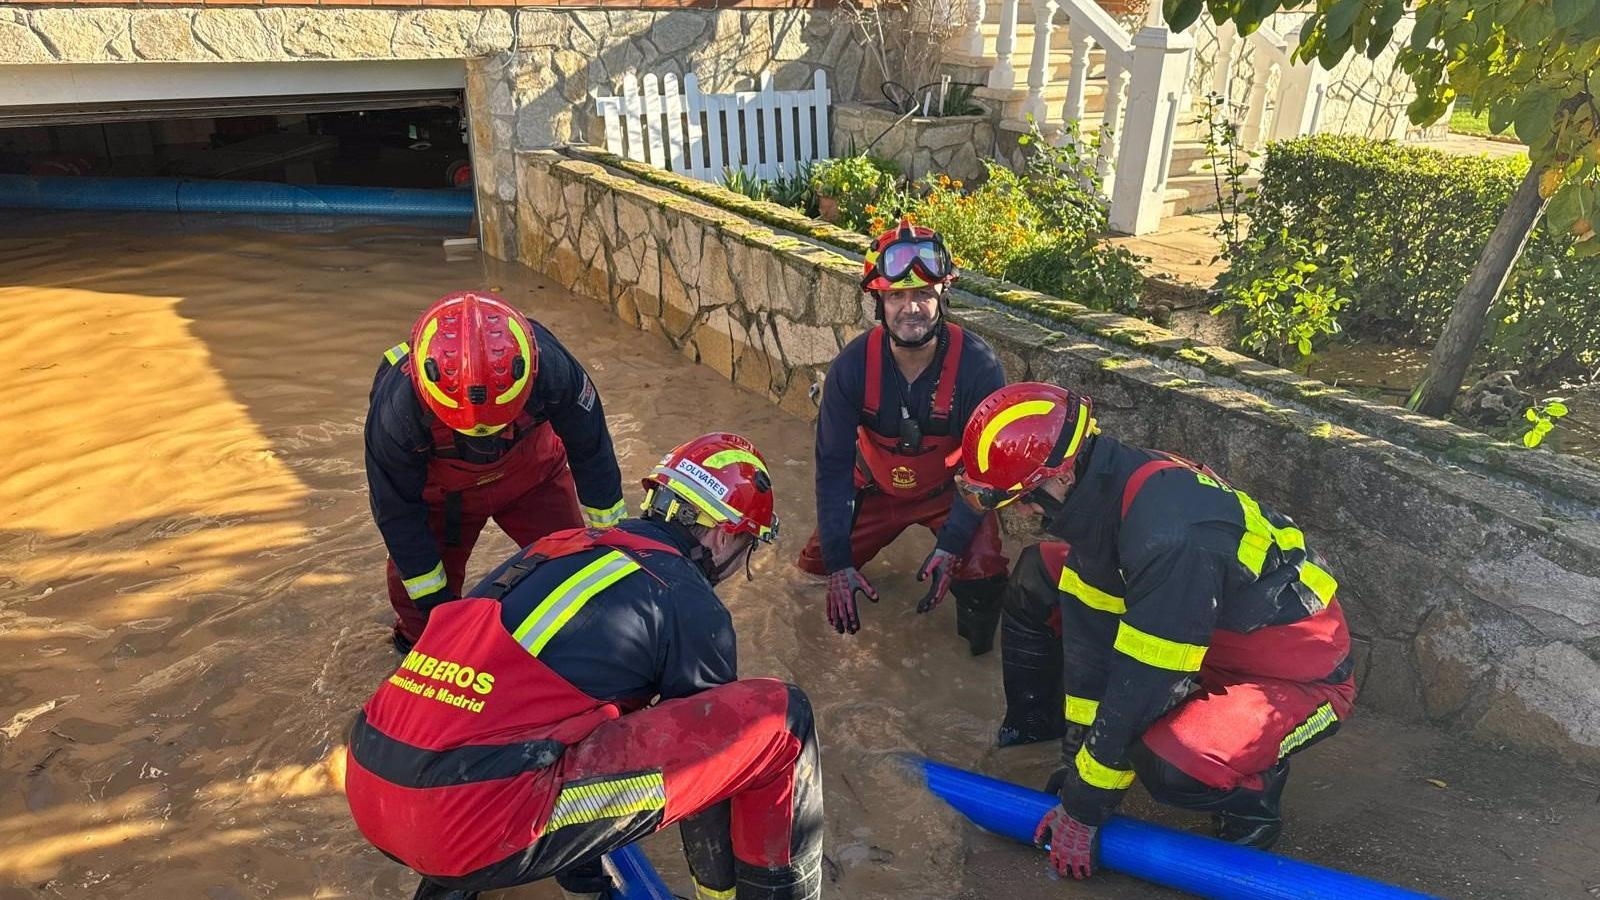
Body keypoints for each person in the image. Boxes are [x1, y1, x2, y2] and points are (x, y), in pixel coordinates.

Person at [345, 433, 823, 900]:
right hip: (469, 819)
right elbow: (713, 768)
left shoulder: (560, 546)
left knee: (505, 738)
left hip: (372, 783)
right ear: (725, 535)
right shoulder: (686, 597)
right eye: (748, 548)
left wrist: (584, 882)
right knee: (781, 720)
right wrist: (717, 890)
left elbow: (532, 713)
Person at [954, 382, 1356, 880]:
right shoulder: (1100, 496)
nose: (1023, 511)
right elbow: (1090, 648)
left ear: (1059, 474)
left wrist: (1085, 808)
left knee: (1171, 762)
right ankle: (1036, 728)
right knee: (1039, 573)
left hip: (1299, 675)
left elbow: (1145, 682)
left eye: (1024, 498)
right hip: (1207, 632)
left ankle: (1254, 796)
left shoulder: (1171, 533)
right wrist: (1077, 761)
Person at [365, 290, 626, 651]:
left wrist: (614, 545)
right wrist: (437, 610)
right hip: (444, 502)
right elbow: (397, 515)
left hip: (533, 481)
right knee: (422, 622)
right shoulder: (395, 412)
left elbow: (593, 453)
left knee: (579, 575)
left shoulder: (554, 368)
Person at [798, 218, 1009, 654]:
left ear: (942, 297)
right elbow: (833, 467)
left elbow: (984, 473)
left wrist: (952, 546)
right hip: (872, 488)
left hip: (948, 493)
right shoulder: (851, 368)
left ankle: (974, 660)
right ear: (878, 301)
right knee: (813, 572)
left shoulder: (980, 368)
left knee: (986, 573)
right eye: (897, 296)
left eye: (923, 295)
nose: (910, 308)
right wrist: (840, 564)